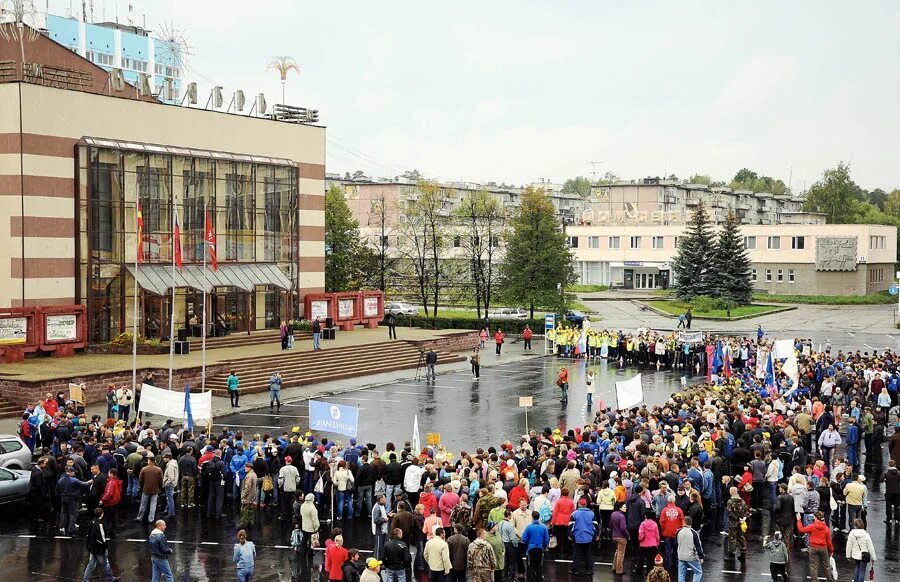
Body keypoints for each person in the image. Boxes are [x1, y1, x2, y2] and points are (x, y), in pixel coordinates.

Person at [81, 507, 117, 582]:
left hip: (92, 547)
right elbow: (102, 537)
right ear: (102, 514)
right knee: (105, 564)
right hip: (99, 548)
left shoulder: (92, 522)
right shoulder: (100, 524)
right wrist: (105, 545)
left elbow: (89, 535)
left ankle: (85, 579)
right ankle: (110, 578)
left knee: (91, 564)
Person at [796, 511, 834, 582]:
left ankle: (814, 580)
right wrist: (831, 551)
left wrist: (799, 520)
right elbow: (829, 542)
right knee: (826, 566)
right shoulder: (826, 528)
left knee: (813, 566)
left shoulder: (812, 526)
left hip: (813, 548)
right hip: (823, 548)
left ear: (816, 518)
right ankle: (829, 580)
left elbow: (801, 530)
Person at [568, 498, 598, 575]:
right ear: (586, 504)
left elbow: (571, 525)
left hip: (577, 536)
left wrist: (570, 535)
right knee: (588, 553)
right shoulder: (591, 513)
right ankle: (589, 570)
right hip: (588, 536)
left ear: (579, 504)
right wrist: (596, 534)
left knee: (576, 554)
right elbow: (595, 525)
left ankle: (576, 570)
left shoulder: (574, 514)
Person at [521, 511, 549, 582]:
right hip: (540, 548)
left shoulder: (528, 527)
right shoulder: (544, 527)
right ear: (539, 517)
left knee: (530, 565)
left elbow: (524, 539)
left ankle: (530, 579)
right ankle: (539, 579)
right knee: (539, 565)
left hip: (531, 549)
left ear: (532, 517)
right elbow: (546, 539)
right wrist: (544, 547)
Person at [136, 453, 163, 524]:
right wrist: (160, 488)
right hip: (155, 489)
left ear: (150, 461)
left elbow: (140, 480)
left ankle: (139, 517)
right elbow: (161, 480)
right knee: (153, 504)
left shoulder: (144, 469)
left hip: (146, 489)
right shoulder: (158, 470)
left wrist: (141, 487)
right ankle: (151, 519)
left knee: (143, 504)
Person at [675, 516, 704, 582]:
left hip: (681, 556)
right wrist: (701, 557)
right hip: (691, 557)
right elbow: (698, 546)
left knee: (681, 574)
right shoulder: (694, 533)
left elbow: (675, 544)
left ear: (684, 522)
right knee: (698, 572)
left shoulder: (678, 532)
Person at [240, 462, 258, 530]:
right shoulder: (254, 474)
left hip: (247, 497)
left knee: (244, 511)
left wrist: (242, 495)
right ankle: (250, 524)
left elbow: (247, 488)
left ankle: (243, 525)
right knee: (250, 511)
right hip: (252, 496)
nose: (245, 468)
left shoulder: (249, 476)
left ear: (249, 468)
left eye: (246, 467)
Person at [372, 495, 390, 559]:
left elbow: (382, 515)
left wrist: (388, 515)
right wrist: (384, 520)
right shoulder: (377, 508)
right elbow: (376, 520)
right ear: (380, 500)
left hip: (382, 530)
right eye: (384, 499)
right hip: (379, 531)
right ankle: (376, 560)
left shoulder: (381, 506)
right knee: (378, 548)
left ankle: (381, 560)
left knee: (382, 547)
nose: (385, 500)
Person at [884, 459, 900, 524]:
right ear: (895, 465)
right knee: (897, 506)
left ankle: (889, 519)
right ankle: (897, 519)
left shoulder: (887, 473)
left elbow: (881, 479)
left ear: (889, 465)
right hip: (897, 492)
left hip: (889, 492)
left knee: (888, 506)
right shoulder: (898, 473)